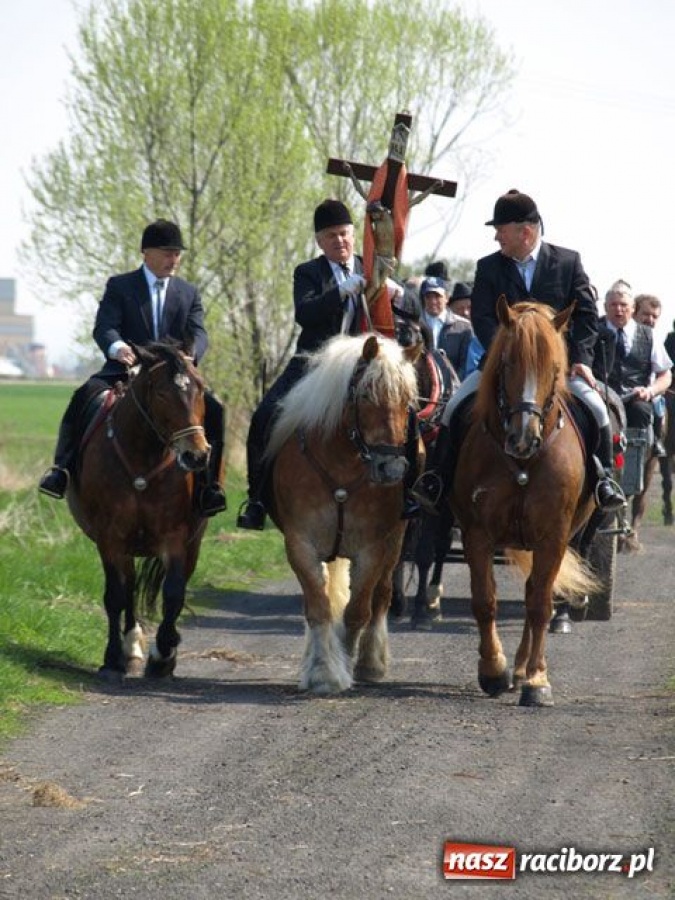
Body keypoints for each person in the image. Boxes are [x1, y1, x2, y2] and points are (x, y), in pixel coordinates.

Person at [412, 188, 626, 514]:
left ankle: (604, 479)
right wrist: (509, 353)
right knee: (454, 406)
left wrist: (582, 361)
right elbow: (483, 318)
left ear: (525, 232)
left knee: (597, 408)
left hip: (558, 368)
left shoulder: (568, 262)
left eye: (501, 230)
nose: (496, 236)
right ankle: (437, 479)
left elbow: (584, 317)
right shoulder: (488, 267)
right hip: (504, 365)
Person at [236, 198, 418, 530]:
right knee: (264, 416)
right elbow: (304, 313)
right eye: (331, 236)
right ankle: (257, 499)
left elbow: (416, 311)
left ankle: (410, 493)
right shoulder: (309, 272)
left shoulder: (373, 265)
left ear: (354, 235)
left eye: (345, 234)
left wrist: (399, 294)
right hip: (315, 363)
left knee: (409, 417)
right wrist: (339, 292)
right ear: (320, 241)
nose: (340, 241)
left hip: (366, 368)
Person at [38, 219, 227, 517]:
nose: (173, 259)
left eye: (177, 253)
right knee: (83, 395)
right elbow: (105, 327)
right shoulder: (120, 285)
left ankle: (210, 486)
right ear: (145, 253)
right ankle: (61, 469)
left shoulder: (188, 292)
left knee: (215, 409)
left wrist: (191, 354)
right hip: (125, 368)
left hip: (172, 373)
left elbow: (199, 332)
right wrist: (117, 347)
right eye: (167, 252)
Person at [595, 284, 672, 458]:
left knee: (642, 410)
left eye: (623, 305)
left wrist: (650, 391)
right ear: (605, 306)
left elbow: (665, 374)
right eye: (613, 304)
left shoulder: (649, 335)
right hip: (600, 397)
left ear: (632, 309)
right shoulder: (591, 330)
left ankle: (633, 473)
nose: (619, 309)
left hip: (635, 399)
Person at [419, 276, 473, 378]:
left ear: (447, 298)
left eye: (437, 296)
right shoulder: (414, 326)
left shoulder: (463, 327)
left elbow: (465, 364)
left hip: (454, 387)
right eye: (428, 297)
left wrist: (455, 387)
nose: (433, 301)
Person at [447, 281, 485, 377]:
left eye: (469, 307)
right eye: (460, 308)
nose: (466, 313)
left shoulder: (483, 335)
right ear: (451, 310)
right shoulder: (448, 334)